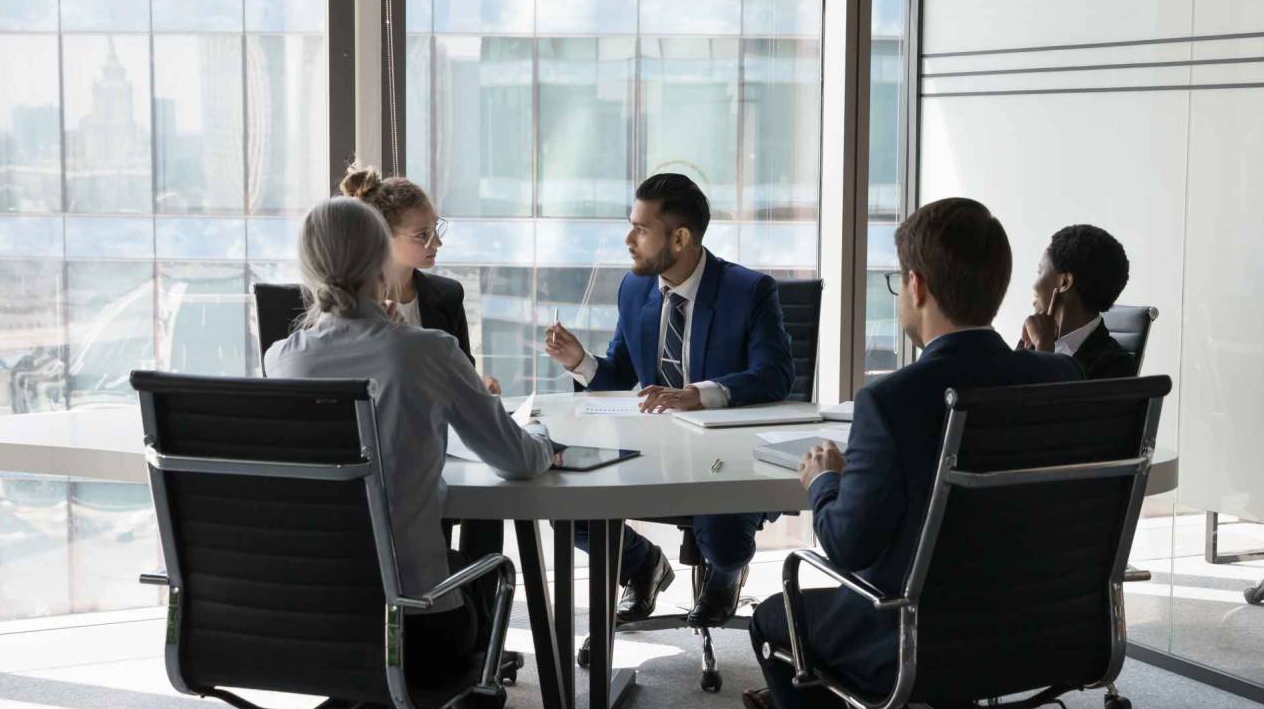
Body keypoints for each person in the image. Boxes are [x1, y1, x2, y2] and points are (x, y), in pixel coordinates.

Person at [744, 198, 1082, 709]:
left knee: (774, 619)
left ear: (916, 286)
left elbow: (848, 548)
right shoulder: (1061, 379)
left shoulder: (890, 402)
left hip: (915, 639)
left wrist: (823, 481)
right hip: (1041, 630)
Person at [263, 197, 554, 691]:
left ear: (309, 270)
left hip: (313, 626)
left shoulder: (281, 359)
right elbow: (519, 461)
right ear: (383, 262)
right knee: (477, 572)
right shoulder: (427, 351)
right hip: (415, 626)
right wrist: (543, 437)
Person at [543, 172, 796, 627]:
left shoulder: (749, 291)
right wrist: (580, 361)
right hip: (651, 447)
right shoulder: (635, 287)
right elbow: (622, 374)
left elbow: (775, 375)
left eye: (641, 229)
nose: (628, 239)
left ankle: (724, 572)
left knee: (722, 538)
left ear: (680, 238)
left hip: (722, 455)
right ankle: (643, 566)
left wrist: (697, 395)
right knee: (567, 508)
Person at [340, 159, 501, 395]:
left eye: (435, 228)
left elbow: (462, 377)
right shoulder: (346, 303)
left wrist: (479, 389)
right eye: (422, 235)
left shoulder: (448, 296)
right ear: (382, 235)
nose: (437, 242)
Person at [1017, 224, 1136, 380]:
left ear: (1065, 282)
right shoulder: (1032, 338)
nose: (1034, 285)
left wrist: (1043, 351)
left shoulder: (1115, 366)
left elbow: (1040, 404)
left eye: (1040, 272)